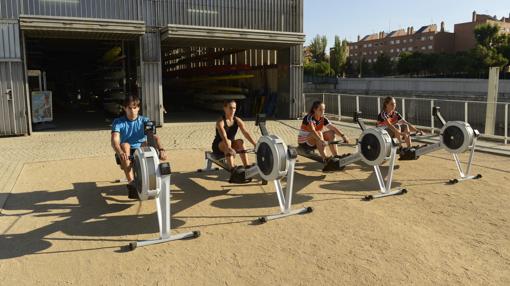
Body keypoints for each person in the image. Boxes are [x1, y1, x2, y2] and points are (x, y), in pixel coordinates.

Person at [111, 95, 167, 198]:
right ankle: (131, 183)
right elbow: (115, 140)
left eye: (135, 107)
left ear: (138, 108)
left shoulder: (145, 120)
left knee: (145, 142)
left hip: (142, 149)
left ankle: (151, 178)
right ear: (124, 108)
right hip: (126, 153)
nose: (132, 111)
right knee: (125, 144)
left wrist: (161, 149)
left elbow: (155, 137)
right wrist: (120, 152)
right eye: (129, 108)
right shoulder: (118, 122)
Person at [212, 99, 257, 170]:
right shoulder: (220, 122)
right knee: (228, 142)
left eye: (234, 108)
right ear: (224, 108)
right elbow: (224, 136)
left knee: (240, 142)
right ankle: (232, 168)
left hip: (230, 144)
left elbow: (246, 133)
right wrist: (229, 148)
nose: (232, 110)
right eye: (230, 108)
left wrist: (255, 144)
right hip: (219, 146)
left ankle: (247, 166)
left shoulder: (237, 120)